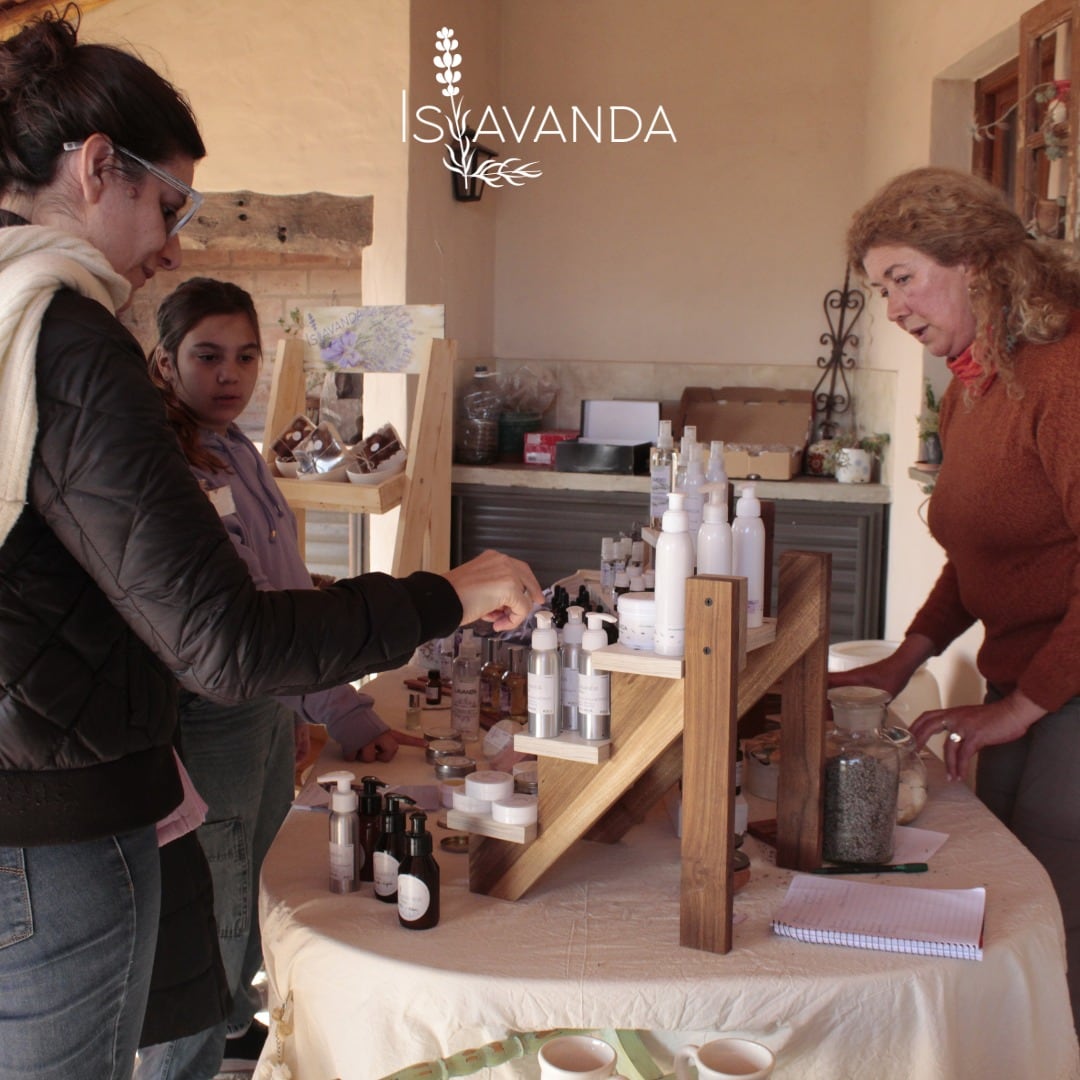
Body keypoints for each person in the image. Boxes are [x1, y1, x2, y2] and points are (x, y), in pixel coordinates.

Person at [0, 10, 543, 1080]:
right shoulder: (68, 339)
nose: (176, 241)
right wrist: (448, 591)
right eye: (170, 203)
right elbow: (224, 639)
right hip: (52, 828)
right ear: (97, 168)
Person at [138, 276, 429, 1076]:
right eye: (207, 356)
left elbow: (290, 594)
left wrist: (340, 712)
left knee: (255, 881)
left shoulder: (238, 450)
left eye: (245, 357)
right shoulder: (171, 467)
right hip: (209, 718)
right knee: (220, 906)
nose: (229, 375)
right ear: (164, 363)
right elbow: (251, 622)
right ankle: (199, 1049)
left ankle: (234, 1035)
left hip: (260, 711)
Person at [836, 165, 1080, 1031]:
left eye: (903, 278)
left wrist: (1025, 706)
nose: (893, 308)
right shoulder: (977, 381)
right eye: (879, 289)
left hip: (1065, 693)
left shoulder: (1063, 370)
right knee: (1005, 915)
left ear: (976, 261)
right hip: (1030, 688)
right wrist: (907, 655)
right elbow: (981, 549)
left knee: (1049, 937)